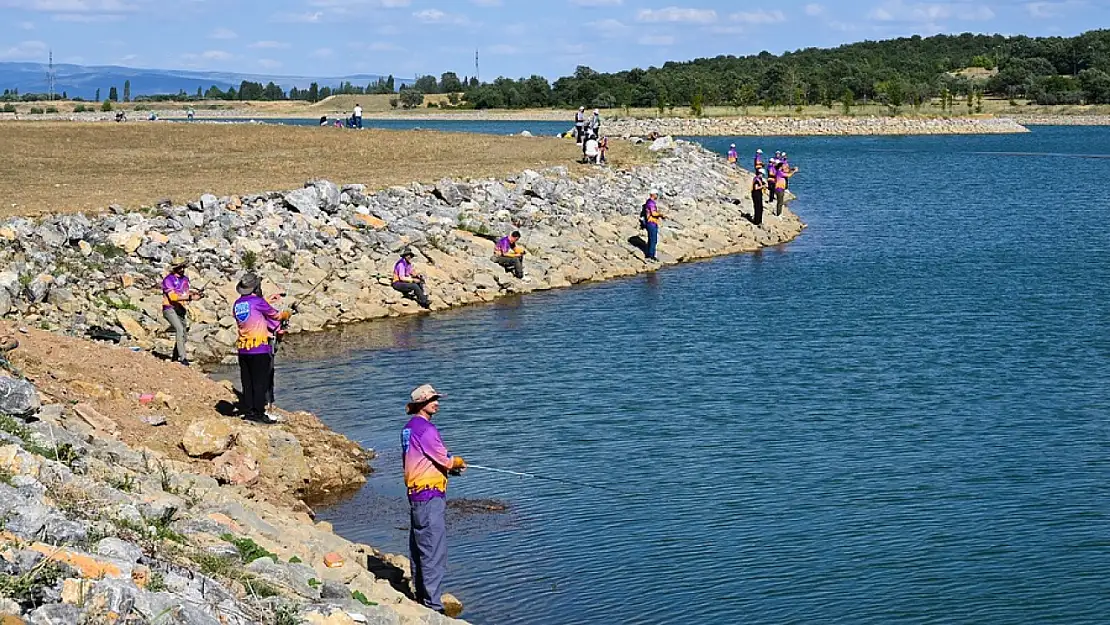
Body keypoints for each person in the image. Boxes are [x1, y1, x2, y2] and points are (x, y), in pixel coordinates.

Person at [401, 384, 466, 614]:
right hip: (429, 496)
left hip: (417, 494)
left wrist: (448, 468)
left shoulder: (409, 428)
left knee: (419, 547)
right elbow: (445, 459)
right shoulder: (427, 430)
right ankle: (433, 606)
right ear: (422, 404)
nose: (437, 402)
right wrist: (457, 462)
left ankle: (421, 597)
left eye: (437, 399)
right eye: (433, 400)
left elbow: (425, 460)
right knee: (433, 550)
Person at [232, 273, 290, 423]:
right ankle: (259, 413)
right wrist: (286, 314)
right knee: (260, 382)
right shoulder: (257, 301)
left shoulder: (237, 304)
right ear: (255, 287)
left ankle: (250, 411)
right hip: (259, 348)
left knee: (248, 381)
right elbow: (275, 316)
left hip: (243, 349)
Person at [161, 257, 200, 365]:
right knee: (179, 329)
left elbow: (184, 293)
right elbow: (173, 297)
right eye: (179, 267)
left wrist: (193, 294)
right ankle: (183, 358)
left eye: (183, 267)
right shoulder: (168, 280)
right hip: (169, 308)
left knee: (184, 334)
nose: (182, 269)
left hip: (181, 309)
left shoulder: (186, 279)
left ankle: (175, 357)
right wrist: (190, 298)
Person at [640, 190, 665, 262]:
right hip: (651, 223)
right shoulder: (651, 203)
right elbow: (653, 213)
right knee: (653, 240)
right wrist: (661, 215)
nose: (657, 196)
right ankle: (651, 256)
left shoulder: (648, 202)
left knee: (651, 239)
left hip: (651, 223)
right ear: (653, 195)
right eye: (656, 194)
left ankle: (649, 254)